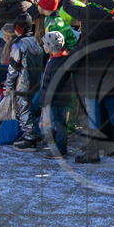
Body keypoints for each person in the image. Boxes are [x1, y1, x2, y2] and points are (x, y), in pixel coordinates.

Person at [62, 0, 114, 163]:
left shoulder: (91, 10)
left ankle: (93, 150)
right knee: (112, 102)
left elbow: (67, 6)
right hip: (111, 59)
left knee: (92, 105)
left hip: (91, 61)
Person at [7, 14, 45, 152]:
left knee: (23, 110)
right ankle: (32, 134)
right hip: (35, 81)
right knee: (29, 108)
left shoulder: (19, 45)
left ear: (19, 29)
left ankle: (30, 138)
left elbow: (13, 68)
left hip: (22, 82)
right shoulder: (35, 42)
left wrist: (9, 86)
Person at [39, 31, 73, 159]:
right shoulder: (56, 58)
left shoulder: (57, 61)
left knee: (60, 123)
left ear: (51, 46)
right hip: (58, 97)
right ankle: (58, 146)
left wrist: (46, 98)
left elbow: (54, 84)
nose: (43, 46)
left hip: (57, 98)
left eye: (45, 44)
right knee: (58, 122)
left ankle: (61, 149)